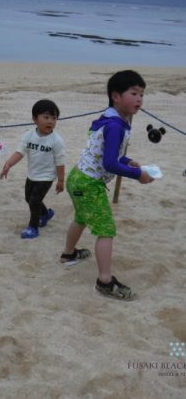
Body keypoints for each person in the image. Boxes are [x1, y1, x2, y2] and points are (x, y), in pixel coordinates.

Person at [60, 70, 154, 300]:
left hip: (77, 177)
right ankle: (105, 281)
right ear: (116, 96)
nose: (139, 99)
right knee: (106, 230)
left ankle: (68, 254)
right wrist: (137, 174)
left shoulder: (110, 118)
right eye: (133, 93)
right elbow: (110, 163)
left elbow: (108, 155)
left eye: (142, 94)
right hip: (89, 184)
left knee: (81, 218)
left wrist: (127, 161)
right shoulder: (115, 126)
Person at [0, 99, 66, 239]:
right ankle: (46, 214)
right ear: (34, 119)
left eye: (54, 118)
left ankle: (33, 227)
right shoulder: (29, 135)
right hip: (32, 174)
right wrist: (8, 164)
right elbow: (20, 152)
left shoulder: (57, 140)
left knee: (34, 201)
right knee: (28, 198)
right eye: (46, 117)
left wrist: (60, 180)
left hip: (46, 177)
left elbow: (60, 162)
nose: (50, 121)